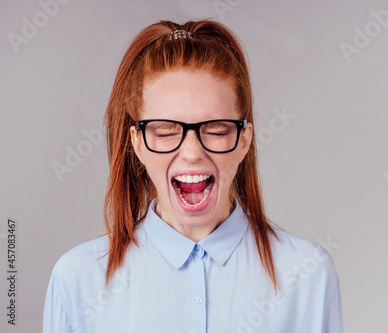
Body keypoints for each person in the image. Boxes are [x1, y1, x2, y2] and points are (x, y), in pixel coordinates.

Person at [43, 19, 343, 332]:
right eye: (165, 130)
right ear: (137, 144)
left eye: (214, 130)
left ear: (243, 140)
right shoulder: (77, 279)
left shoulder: (307, 274)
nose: (191, 152)